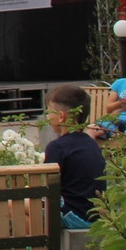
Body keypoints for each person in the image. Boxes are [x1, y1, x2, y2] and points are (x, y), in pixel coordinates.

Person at [42, 84, 106, 229]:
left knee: (14, 205)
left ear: (61, 116)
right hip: (96, 215)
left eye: (48, 112)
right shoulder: (91, 143)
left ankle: (36, 249)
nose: (47, 116)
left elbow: (47, 188)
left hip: (74, 216)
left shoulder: (57, 147)